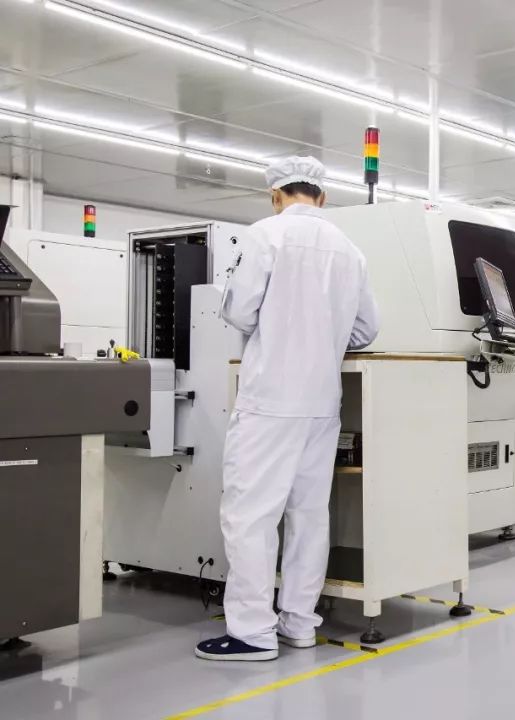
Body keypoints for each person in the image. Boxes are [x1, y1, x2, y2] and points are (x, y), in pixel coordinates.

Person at [196, 156, 379, 662]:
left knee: (250, 517)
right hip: (322, 405)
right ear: (322, 196)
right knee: (308, 517)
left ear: (275, 195)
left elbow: (239, 311)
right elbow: (367, 329)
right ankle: (299, 623)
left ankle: (252, 632)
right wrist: (324, 335)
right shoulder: (350, 250)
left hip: (270, 401)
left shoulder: (265, 235)